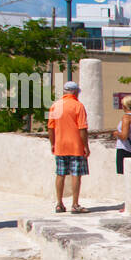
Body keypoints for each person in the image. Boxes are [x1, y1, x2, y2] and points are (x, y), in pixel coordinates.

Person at [48, 80, 89, 213]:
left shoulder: (55, 106)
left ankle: (59, 203)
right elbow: (82, 128)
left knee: (60, 174)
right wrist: (86, 146)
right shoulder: (78, 106)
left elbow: (50, 127)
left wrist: (53, 143)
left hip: (60, 145)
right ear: (76, 92)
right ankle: (75, 204)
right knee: (76, 175)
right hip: (76, 146)